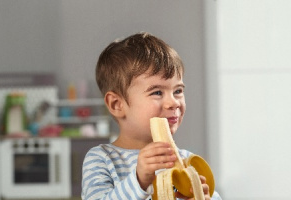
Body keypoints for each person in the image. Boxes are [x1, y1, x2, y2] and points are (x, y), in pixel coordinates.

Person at [81, 32, 222, 200]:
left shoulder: (187, 161)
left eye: (177, 91)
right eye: (157, 92)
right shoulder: (101, 160)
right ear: (116, 104)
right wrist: (138, 181)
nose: (173, 102)